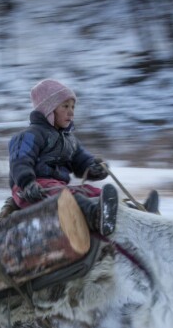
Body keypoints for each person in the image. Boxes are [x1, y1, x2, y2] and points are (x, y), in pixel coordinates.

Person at [6, 79, 118, 236]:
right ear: (49, 109)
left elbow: (82, 161)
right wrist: (27, 183)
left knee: (91, 192)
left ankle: (128, 212)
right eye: (65, 106)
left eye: (73, 107)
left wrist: (95, 168)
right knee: (67, 197)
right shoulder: (30, 135)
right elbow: (20, 161)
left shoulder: (70, 140)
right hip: (32, 190)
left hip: (58, 187)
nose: (71, 112)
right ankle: (95, 217)